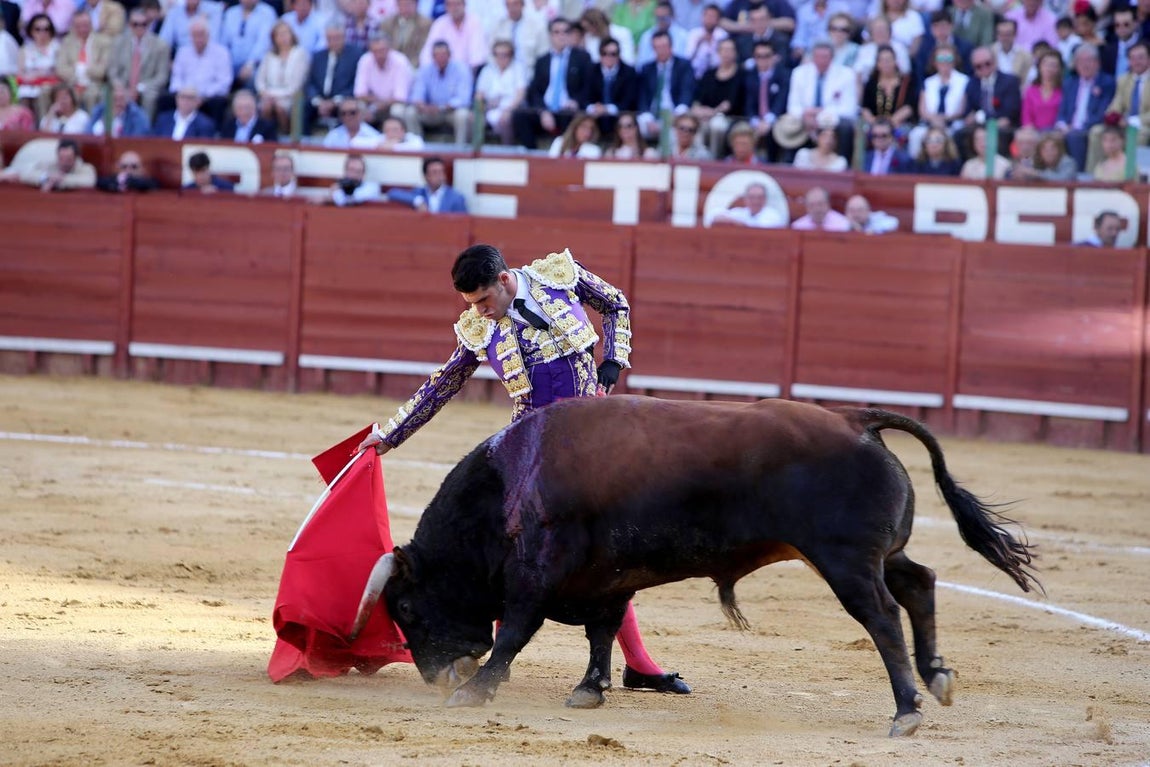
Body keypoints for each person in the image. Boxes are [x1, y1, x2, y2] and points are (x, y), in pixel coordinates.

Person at [355, 242, 691, 698]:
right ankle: (500, 658)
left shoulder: (559, 277)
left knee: (609, 552)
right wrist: (390, 434)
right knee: (510, 546)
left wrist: (613, 358)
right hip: (531, 449)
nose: (480, 312)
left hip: (594, 444)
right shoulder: (478, 329)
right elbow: (441, 386)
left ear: (505, 280)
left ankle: (637, 664)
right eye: (471, 304)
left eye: (484, 300)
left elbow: (616, 304)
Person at [513, 17, 593, 149]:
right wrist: (543, 111)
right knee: (520, 115)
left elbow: (588, 87)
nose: (561, 36)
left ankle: (567, 153)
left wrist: (576, 101)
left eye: (565, 32)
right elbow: (535, 91)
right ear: (550, 35)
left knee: (570, 116)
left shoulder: (582, 58)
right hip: (546, 110)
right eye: (557, 32)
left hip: (569, 110)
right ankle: (532, 153)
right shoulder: (542, 60)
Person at [1087, 41, 1150, 173]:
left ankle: (1131, 176)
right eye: (1132, 58)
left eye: (1140, 57)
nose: (1136, 62)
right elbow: (1116, 104)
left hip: (1144, 125)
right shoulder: (1123, 80)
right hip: (1124, 124)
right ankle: (1094, 175)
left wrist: (1132, 121)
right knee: (1096, 132)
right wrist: (1113, 117)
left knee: (1140, 134)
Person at [1054, 43, 1113, 172]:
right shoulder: (1070, 83)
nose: (1084, 65)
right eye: (1080, 61)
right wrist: (1062, 125)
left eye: (1089, 60)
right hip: (1068, 128)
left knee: (1075, 137)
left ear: (1097, 63)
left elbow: (1102, 112)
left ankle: (1079, 176)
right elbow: (1062, 111)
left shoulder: (1106, 82)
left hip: (1088, 127)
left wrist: (1077, 127)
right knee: (1047, 135)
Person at [400, 39, 471, 145]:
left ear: (449, 55)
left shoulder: (462, 69)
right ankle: (417, 147)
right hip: (430, 111)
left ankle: (460, 150)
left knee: (463, 115)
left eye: (443, 54)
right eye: (437, 55)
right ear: (432, 56)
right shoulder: (425, 70)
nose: (440, 57)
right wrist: (422, 105)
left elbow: (464, 99)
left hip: (451, 112)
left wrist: (442, 107)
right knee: (410, 112)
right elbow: (417, 94)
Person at [108, 8, 171, 121]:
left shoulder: (160, 45)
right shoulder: (118, 43)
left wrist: (139, 88)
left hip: (147, 87)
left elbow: (162, 76)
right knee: (109, 94)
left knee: (150, 96)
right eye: (135, 24)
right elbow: (112, 71)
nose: (139, 27)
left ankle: (144, 133)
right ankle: (113, 131)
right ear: (129, 25)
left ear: (148, 25)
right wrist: (122, 88)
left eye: (143, 24)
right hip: (123, 86)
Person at [636, 29, 695, 144]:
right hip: (652, 115)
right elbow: (642, 96)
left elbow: (686, 92)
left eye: (664, 46)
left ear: (671, 46)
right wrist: (648, 119)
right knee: (636, 126)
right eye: (657, 47)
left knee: (678, 130)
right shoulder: (647, 69)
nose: (661, 50)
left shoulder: (683, 66)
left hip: (675, 114)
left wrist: (676, 117)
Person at [304, 21, 362, 133]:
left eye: (337, 38)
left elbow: (355, 84)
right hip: (319, 100)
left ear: (344, 37)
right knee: (302, 108)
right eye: (330, 38)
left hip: (342, 99)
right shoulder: (318, 56)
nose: (333, 42)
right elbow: (310, 83)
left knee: (348, 110)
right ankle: (302, 143)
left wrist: (335, 102)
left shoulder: (355, 55)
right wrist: (318, 101)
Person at [691, 36, 741, 159]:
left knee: (716, 125)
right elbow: (698, 98)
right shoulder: (709, 74)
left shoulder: (740, 75)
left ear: (735, 53)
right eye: (724, 50)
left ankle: (715, 158)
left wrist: (712, 112)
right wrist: (699, 110)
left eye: (730, 50)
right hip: (706, 115)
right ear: (718, 52)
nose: (727, 53)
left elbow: (729, 104)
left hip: (729, 118)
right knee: (695, 123)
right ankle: (696, 157)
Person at [257, 20, 310, 134]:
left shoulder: (300, 54)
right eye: (279, 34)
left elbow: (296, 86)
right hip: (269, 96)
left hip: (290, 97)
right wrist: (266, 93)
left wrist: (273, 95)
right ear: (274, 38)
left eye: (285, 33)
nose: (283, 37)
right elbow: (260, 80)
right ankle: (267, 135)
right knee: (266, 106)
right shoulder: (269, 55)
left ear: (292, 35)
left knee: (279, 107)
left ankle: (285, 135)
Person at [354, 29, 414, 127]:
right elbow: (359, 93)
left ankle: (399, 139)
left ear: (389, 49)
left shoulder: (400, 61)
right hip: (373, 103)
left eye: (382, 50)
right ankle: (360, 140)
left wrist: (379, 105)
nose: (379, 55)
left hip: (395, 105)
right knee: (358, 106)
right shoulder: (365, 60)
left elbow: (400, 97)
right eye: (375, 51)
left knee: (397, 109)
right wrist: (375, 104)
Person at [54, 9, 110, 110]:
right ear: (73, 27)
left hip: (94, 83)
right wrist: (77, 74)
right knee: (65, 95)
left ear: (91, 24)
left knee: (91, 95)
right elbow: (61, 68)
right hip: (72, 82)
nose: (82, 29)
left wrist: (83, 70)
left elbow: (102, 70)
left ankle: (91, 125)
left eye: (85, 25)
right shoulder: (67, 41)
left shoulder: (103, 42)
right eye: (78, 26)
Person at [586, 36, 639, 139]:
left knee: (626, 120)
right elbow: (585, 96)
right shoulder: (591, 70)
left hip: (619, 115)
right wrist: (593, 107)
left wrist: (608, 109)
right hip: (596, 116)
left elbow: (629, 100)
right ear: (600, 55)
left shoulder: (629, 72)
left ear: (618, 55)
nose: (608, 57)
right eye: (604, 53)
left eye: (613, 54)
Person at [474, 39, 525, 144]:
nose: (501, 58)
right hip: (489, 108)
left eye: (505, 54)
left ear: (511, 55)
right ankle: (475, 152)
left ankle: (507, 152)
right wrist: (482, 108)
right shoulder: (487, 70)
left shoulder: (518, 68)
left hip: (510, 108)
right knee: (473, 118)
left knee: (505, 120)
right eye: (497, 54)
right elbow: (479, 94)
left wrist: (508, 110)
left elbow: (521, 94)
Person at [6, 136, 95, 190]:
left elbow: (88, 181)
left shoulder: (86, 169)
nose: (64, 163)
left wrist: (60, 181)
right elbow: (26, 174)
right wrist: (45, 178)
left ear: (76, 158)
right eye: (61, 159)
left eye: (68, 159)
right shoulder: (49, 165)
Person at [389, 155, 467, 213]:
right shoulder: (419, 193)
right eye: (434, 172)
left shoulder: (456, 198)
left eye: (441, 172)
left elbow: (462, 224)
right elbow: (392, 193)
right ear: (426, 176)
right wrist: (418, 201)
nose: (439, 176)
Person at [153, 86, 218, 139]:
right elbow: (154, 141)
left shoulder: (205, 124)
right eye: (182, 97)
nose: (185, 101)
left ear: (198, 101)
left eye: (190, 98)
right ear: (176, 99)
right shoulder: (163, 119)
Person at [381, 0, 431, 69]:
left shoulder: (425, 24)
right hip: (390, 67)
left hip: (414, 66)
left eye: (408, 4)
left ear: (416, 5)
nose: (405, 8)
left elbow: (424, 51)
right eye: (402, 4)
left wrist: (408, 67)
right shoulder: (387, 24)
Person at [1021, 50, 1063, 131]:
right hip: (1033, 133)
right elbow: (1026, 117)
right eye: (1046, 64)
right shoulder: (1031, 91)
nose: (1049, 68)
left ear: (1059, 68)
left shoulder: (1064, 91)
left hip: (1056, 134)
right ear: (1039, 66)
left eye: (1053, 65)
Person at [710, 181, 782, 227]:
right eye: (752, 197)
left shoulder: (773, 215)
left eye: (759, 197)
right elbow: (714, 217)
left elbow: (758, 230)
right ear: (745, 199)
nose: (755, 201)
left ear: (765, 199)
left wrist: (737, 223)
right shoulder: (739, 212)